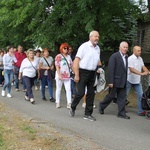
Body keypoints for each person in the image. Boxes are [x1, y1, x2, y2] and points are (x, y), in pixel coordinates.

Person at [69, 30, 102, 121]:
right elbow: (76, 61)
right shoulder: (84, 46)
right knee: (81, 93)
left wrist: (99, 68)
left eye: (98, 37)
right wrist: (76, 74)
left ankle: (87, 114)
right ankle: (73, 106)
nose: (97, 38)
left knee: (91, 93)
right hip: (82, 72)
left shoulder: (97, 49)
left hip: (92, 73)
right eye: (95, 36)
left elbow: (98, 61)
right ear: (90, 37)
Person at [99, 41, 130, 119]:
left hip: (123, 81)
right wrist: (110, 81)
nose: (125, 49)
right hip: (115, 81)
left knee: (122, 97)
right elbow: (111, 69)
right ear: (120, 47)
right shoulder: (115, 56)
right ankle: (102, 105)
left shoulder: (126, 57)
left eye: (127, 47)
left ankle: (121, 113)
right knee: (111, 96)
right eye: (124, 47)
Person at [126, 46, 150, 116]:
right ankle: (121, 109)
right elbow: (132, 69)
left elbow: (143, 66)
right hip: (129, 80)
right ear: (134, 51)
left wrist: (147, 71)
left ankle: (140, 111)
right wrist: (141, 73)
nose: (140, 52)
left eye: (140, 51)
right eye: (138, 51)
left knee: (141, 95)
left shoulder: (140, 59)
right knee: (125, 95)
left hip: (137, 81)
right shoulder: (130, 59)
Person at [55, 43, 73, 108]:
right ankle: (57, 102)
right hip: (60, 75)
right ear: (61, 49)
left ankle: (69, 102)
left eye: (67, 48)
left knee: (68, 89)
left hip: (67, 75)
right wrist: (59, 75)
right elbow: (57, 66)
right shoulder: (58, 56)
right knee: (59, 89)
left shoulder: (69, 57)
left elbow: (71, 65)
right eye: (64, 48)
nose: (66, 49)